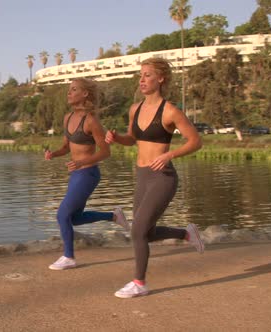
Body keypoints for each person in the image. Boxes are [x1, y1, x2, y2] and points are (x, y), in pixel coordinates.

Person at [105, 57, 205, 298]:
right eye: (141, 75)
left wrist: (170, 154)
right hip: (142, 176)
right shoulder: (135, 109)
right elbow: (133, 139)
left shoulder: (170, 111)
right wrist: (117, 138)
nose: (142, 79)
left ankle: (139, 283)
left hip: (163, 177)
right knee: (145, 233)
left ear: (160, 79)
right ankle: (186, 234)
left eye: (147, 75)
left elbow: (196, 141)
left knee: (137, 231)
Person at [45, 78, 130, 271]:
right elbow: (67, 147)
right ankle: (113, 216)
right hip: (76, 175)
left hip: (88, 174)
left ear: (84, 94)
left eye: (73, 89)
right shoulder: (67, 118)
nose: (69, 93)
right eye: (69, 89)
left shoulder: (91, 121)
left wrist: (82, 162)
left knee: (62, 215)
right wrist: (53, 154)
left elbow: (105, 151)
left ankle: (69, 257)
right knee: (73, 218)